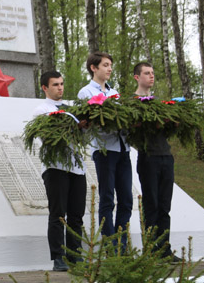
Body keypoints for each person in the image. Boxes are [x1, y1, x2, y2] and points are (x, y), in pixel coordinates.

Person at [77, 52, 132, 248]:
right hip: (104, 150)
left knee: (126, 199)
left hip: (123, 149)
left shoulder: (114, 92)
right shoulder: (85, 93)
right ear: (94, 67)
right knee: (107, 199)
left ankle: (122, 244)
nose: (109, 69)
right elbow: (89, 121)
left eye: (110, 65)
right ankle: (110, 246)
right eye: (105, 65)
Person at [33, 71, 86, 272]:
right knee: (58, 214)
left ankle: (75, 254)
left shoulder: (72, 108)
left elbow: (83, 135)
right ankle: (58, 257)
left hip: (76, 167)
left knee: (76, 214)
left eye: (62, 84)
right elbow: (47, 136)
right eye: (55, 84)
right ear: (45, 88)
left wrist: (83, 125)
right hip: (55, 166)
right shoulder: (41, 110)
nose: (60, 88)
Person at [133, 62, 180, 261]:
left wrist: (172, 122)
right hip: (148, 157)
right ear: (137, 77)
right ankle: (151, 250)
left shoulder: (160, 103)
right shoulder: (133, 102)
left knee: (165, 206)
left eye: (153, 73)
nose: (151, 76)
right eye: (146, 73)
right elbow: (132, 130)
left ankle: (165, 250)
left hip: (166, 157)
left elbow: (168, 131)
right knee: (151, 205)